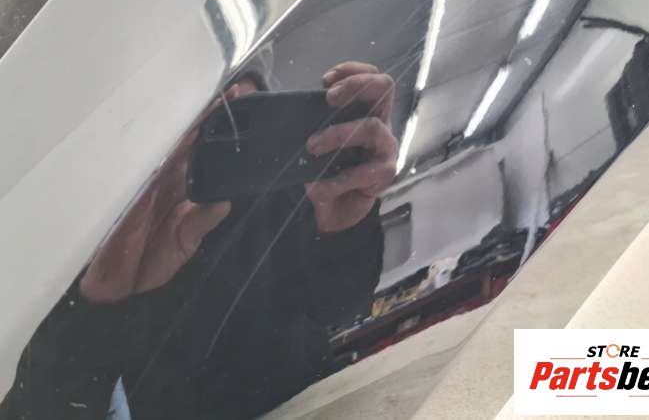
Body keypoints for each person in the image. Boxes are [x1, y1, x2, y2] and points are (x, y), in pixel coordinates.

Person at [0, 62, 398, 420]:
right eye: (206, 127)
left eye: (236, 122)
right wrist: (98, 305)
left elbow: (340, 306)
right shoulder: (110, 238)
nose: (218, 147)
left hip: (315, 403)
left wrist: (345, 229)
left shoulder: (286, 190)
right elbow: (46, 407)